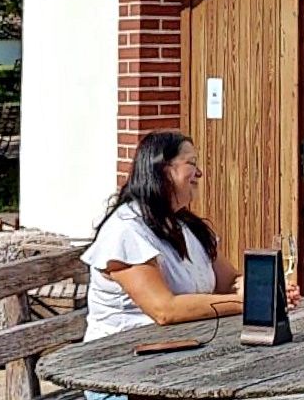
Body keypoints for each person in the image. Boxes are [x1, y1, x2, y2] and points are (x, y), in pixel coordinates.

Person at [85, 131, 235, 339]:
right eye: (191, 163)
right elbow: (165, 310)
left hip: (178, 347)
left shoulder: (187, 225)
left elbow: (230, 281)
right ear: (164, 170)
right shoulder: (126, 230)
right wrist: (248, 303)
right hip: (119, 357)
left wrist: (260, 291)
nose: (199, 173)